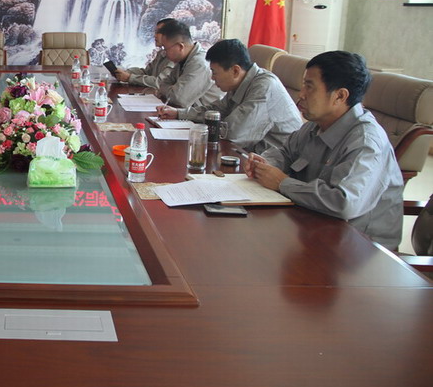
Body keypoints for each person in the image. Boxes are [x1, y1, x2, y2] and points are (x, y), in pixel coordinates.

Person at [245, 51, 403, 250]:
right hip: (313, 227)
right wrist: (264, 163)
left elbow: (344, 202)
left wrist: (282, 183)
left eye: (309, 86)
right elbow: (285, 152)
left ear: (340, 96)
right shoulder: (317, 124)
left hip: (361, 248)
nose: (301, 94)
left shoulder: (366, 142)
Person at [157, 38, 301, 153]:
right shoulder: (241, 81)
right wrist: (179, 114)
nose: (212, 78)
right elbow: (217, 110)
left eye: (215, 72)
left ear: (235, 71)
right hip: (248, 153)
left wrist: (198, 131)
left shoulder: (264, 87)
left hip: (274, 162)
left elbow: (234, 133)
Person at [154, 19, 222, 109]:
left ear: (180, 47)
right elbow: (162, 83)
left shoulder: (199, 63)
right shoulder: (183, 60)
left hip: (203, 115)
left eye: (165, 48)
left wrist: (168, 90)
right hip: (186, 113)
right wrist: (170, 90)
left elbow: (179, 99)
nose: (164, 53)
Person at [114, 18, 175, 88]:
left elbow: (160, 82)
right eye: (155, 32)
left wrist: (129, 78)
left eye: (158, 32)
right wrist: (125, 72)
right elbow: (146, 72)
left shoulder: (176, 57)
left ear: (170, 34)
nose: (155, 35)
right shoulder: (161, 53)